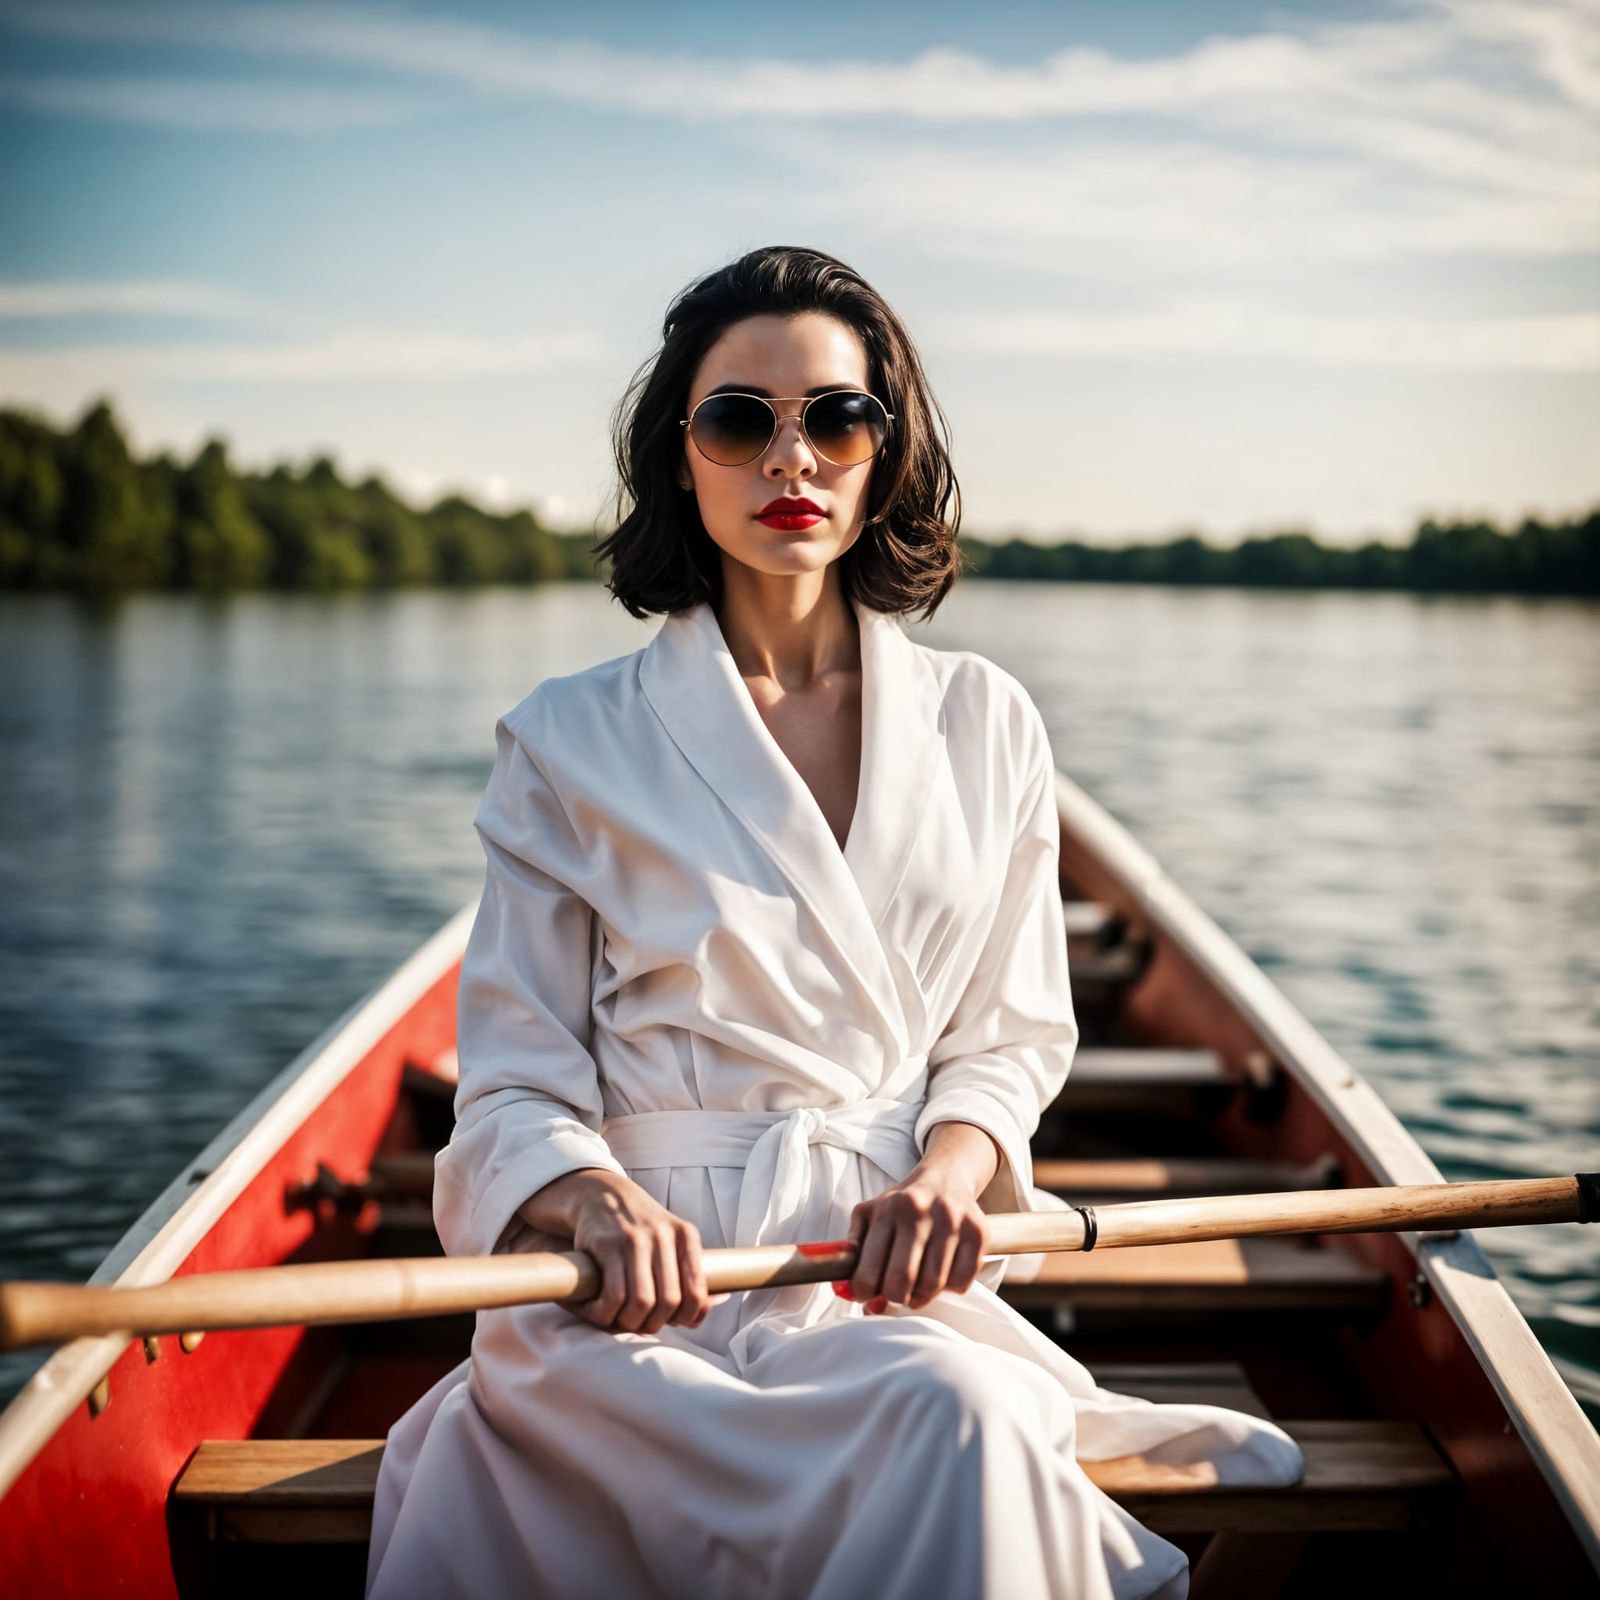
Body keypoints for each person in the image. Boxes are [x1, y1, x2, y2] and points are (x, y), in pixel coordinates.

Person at [365, 245, 1305, 1600]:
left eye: (836, 418)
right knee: (902, 1425)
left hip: (878, 1276)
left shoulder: (988, 724)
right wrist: (588, 1200)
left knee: (957, 1415)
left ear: (886, 449)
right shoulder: (568, 739)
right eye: (740, 419)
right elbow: (512, 1084)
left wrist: (951, 1171)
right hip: (637, 1300)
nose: (789, 458)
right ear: (681, 455)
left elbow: (1012, 1037)